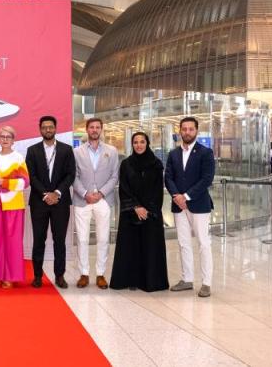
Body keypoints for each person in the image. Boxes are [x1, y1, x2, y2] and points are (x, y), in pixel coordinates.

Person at [110, 132, 169, 292]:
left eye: (142, 142)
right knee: (131, 247)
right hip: (131, 213)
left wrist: (147, 209)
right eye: (135, 142)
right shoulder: (126, 164)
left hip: (151, 213)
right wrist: (136, 207)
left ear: (147, 143)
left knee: (150, 247)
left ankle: (151, 281)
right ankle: (131, 280)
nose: (139, 145)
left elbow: (157, 190)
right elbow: (124, 188)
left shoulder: (156, 164)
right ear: (132, 144)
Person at [165, 116, 215, 298]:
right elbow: (168, 177)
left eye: (190, 129)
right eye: (184, 129)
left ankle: (206, 283)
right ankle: (187, 279)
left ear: (196, 131)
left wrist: (186, 196)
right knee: (183, 243)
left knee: (203, 243)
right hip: (179, 206)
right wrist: (177, 196)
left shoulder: (205, 153)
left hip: (199, 204)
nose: (187, 132)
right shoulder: (173, 154)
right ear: (180, 131)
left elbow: (207, 179)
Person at [25, 115, 76, 288]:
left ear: (55, 128)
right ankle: (37, 276)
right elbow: (31, 176)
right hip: (39, 202)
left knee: (59, 240)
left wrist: (57, 193)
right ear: (40, 129)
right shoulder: (32, 150)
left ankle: (60, 276)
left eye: (51, 127)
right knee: (39, 240)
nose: (48, 130)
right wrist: (45, 194)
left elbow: (70, 174)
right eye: (44, 127)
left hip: (60, 202)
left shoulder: (66, 150)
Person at [72, 118, 119, 289]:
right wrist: (85, 193)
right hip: (82, 200)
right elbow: (73, 176)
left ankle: (100, 274)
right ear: (87, 129)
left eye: (97, 127)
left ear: (101, 129)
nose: (94, 130)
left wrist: (100, 193)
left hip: (103, 200)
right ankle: (84, 274)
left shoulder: (112, 151)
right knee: (82, 238)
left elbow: (114, 176)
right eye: (91, 127)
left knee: (103, 238)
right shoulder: (76, 152)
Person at [0, 126, 30, 289]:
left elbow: (25, 182)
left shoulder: (18, 158)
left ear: (13, 140)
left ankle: (10, 276)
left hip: (13, 205)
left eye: (8, 137)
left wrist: (5, 183)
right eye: (2, 136)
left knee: (12, 241)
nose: (5, 139)